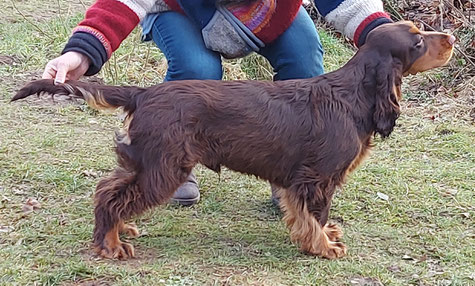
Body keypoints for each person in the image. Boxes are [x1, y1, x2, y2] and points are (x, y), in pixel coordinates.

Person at [43, 0, 392, 206]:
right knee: (198, 68)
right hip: (184, 8)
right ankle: (173, 160)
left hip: (270, 8)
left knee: (303, 59)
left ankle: (295, 173)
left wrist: (392, 43)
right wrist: (82, 52)